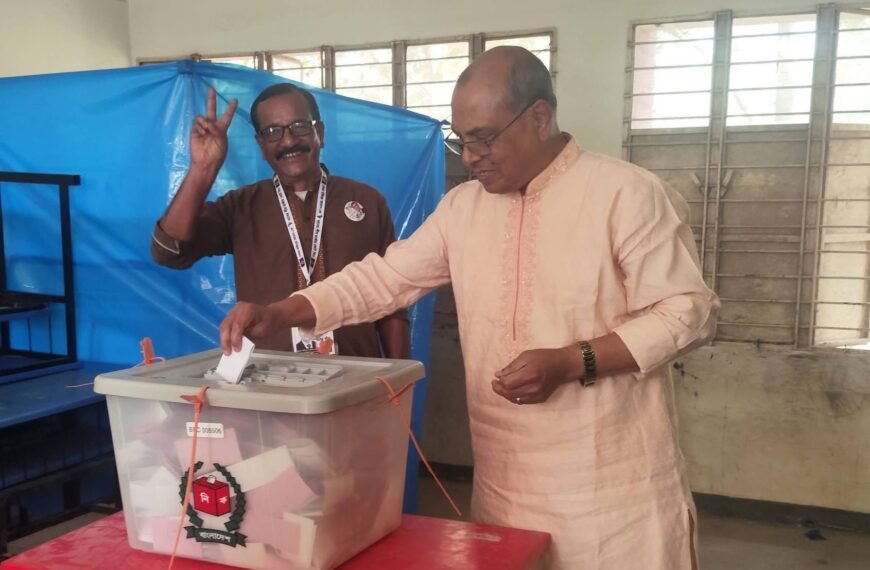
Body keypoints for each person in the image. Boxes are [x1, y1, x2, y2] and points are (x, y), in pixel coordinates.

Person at [219, 47, 719, 569]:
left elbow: (688, 311)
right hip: (503, 483)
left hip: (609, 493)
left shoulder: (625, 194)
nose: (470, 156)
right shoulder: (463, 208)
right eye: (461, 140)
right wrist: (283, 311)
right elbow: (385, 277)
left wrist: (574, 361)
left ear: (540, 118)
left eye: (483, 138)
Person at [151, 83, 409, 358]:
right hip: (271, 389)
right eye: (272, 132)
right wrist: (203, 169)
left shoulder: (367, 201)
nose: (288, 141)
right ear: (261, 145)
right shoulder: (240, 206)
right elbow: (168, 250)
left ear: (319, 132)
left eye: (299, 126)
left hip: (358, 382)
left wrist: (401, 381)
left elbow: (391, 300)